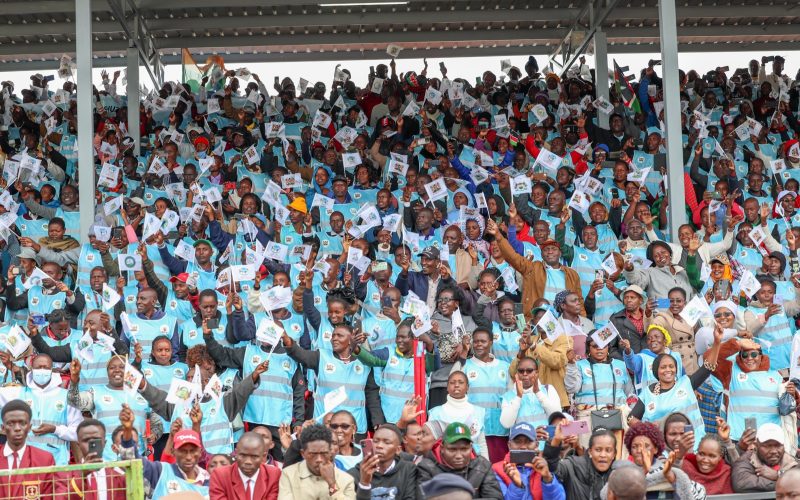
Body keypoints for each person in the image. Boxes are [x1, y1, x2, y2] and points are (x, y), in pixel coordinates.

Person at [0, 353, 82, 466]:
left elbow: (78, 432)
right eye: (38, 367)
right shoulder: (19, 394)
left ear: (52, 370)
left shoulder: (66, 396)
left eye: (46, 367)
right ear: (31, 370)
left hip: (57, 463)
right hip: (26, 463)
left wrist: (55, 429)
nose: (42, 370)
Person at [119, 405, 210, 497]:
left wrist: (196, 424)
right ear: (174, 452)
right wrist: (127, 429)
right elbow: (130, 458)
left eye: (193, 451)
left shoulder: (209, 481)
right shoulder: (159, 472)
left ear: (199, 452)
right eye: (183, 451)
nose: (189, 457)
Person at [417, 422, 503, 499]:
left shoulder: (482, 465)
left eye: (464, 449)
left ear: (470, 447)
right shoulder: (426, 467)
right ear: (442, 448)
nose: (459, 456)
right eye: (452, 450)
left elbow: (495, 497)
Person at [623, 421, 706, 499]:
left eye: (646, 446)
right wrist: (644, 471)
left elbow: (698, 494)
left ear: (655, 449)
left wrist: (671, 478)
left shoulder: (667, 470)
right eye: (634, 446)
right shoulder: (622, 473)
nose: (639, 450)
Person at [278, 424, 356, 500]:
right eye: (313, 454)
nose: (319, 459)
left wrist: (332, 485)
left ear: (330, 452)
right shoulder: (289, 475)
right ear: (303, 454)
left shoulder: (347, 479)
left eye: (324, 453)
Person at [491, 422, 567, 500]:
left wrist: (547, 478)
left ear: (536, 445)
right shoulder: (497, 469)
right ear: (509, 445)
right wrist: (517, 486)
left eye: (529, 441)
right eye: (517, 441)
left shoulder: (544, 465)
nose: (523, 447)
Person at [0, 400, 58, 499]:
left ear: (29, 427)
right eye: (11, 423)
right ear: (3, 428)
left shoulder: (45, 459)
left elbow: (49, 495)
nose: (17, 428)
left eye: (22, 423)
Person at [427, 371, 489, 459]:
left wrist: (486, 466)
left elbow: (482, 444)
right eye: (452, 382)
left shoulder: (478, 412)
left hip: (473, 464)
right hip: (443, 463)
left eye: (461, 382)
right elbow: (431, 444)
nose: (456, 385)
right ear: (447, 387)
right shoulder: (436, 413)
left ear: (467, 387)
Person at [544, 428, 620, 500]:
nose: (603, 455)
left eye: (608, 450)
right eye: (598, 450)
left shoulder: (620, 474)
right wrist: (556, 441)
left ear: (614, 454)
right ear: (590, 451)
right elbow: (552, 469)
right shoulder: (573, 465)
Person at [346, 424, 419, 500]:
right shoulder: (353, 475)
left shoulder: (408, 470)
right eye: (375, 441)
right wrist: (364, 484)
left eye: (387, 442)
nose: (379, 446)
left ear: (398, 450)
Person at [209, 432, 281, 500]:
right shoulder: (220, 476)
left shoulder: (273, 475)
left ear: (263, 456)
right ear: (236, 453)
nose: (248, 462)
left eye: (254, 456)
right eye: (243, 455)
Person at [68, 419, 127, 500]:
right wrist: (81, 475)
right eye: (86, 440)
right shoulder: (65, 474)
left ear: (104, 443)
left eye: (96, 439)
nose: (92, 444)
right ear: (78, 445)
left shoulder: (119, 473)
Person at [732, 422, 799, 493]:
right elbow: (742, 484)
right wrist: (789, 483)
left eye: (778, 445)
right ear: (756, 445)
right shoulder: (746, 460)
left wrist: (778, 475)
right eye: (767, 446)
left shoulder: (791, 461)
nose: (773, 451)